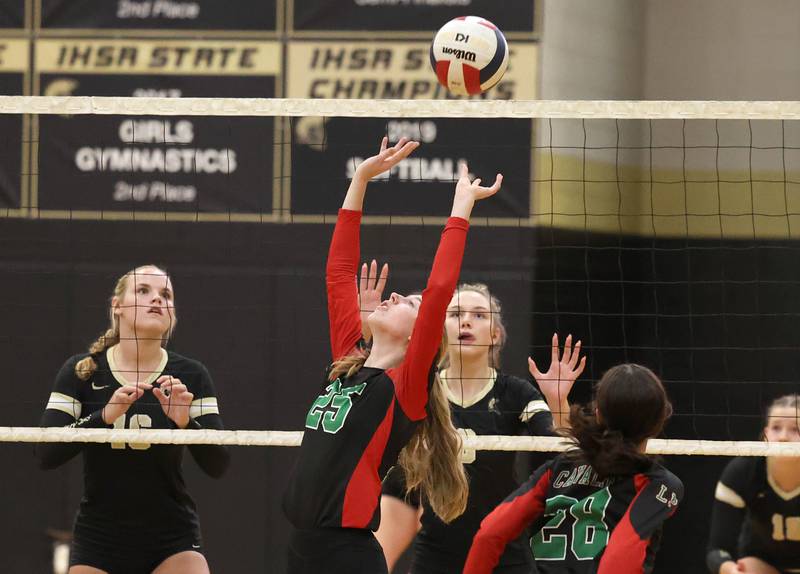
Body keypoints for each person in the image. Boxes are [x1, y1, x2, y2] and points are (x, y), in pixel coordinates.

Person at [281, 137, 502, 574]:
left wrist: (461, 209)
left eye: (411, 304)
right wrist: (361, 178)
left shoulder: (405, 387)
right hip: (302, 547)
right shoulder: (349, 360)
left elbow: (440, 290)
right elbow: (339, 272)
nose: (397, 294)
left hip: (348, 555)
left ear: (421, 335)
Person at [359, 269, 586, 573]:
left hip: (503, 545)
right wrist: (367, 331)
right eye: (455, 314)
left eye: (479, 315)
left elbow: (563, 452)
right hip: (437, 548)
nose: (466, 321)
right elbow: (366, 389)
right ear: (440, 328)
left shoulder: (514, 392)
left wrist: (558, 400)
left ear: (495, 334)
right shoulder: (420, 389)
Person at [38, 265, 230, 574]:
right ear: (117, 306)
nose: (157, 299)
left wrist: (185, 425)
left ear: (172, 315)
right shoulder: (82, 372)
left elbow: (219, 464)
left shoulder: (191, 375)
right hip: (99, 538)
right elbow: (45, 452)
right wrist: (104, 416)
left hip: (171, 537)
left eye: (165, 294)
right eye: (143, 291)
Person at [464, 363, 683, 574]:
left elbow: (490, 534)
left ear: (598, 413)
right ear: (660, 421)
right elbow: (618, 558)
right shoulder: (657, 484)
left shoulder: (560, 467)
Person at [706, 394, 800, 574]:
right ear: (765, 434)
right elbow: (716, 551)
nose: (783, 437)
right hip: (764, 565)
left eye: (795, 429)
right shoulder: (743, 472)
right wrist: (732, 570)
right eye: (776, 428)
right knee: (748, 568)